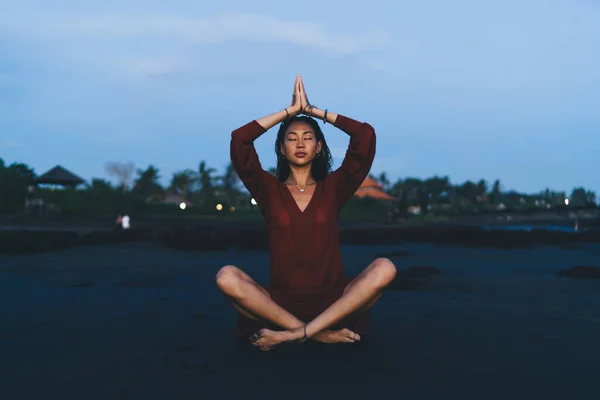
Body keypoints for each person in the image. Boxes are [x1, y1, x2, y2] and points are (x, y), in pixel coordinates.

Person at [217, 76, 397, 351]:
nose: (300, 143)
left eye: (307, 137)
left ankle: (293, 335)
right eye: (291, 138)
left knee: (386, 267)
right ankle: (317, 334)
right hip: (277, 305)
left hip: (336, 302)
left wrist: (313, 111)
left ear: (319, 147)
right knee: (226, 276)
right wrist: (289, 112)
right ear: (282, 149)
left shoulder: (335, 188)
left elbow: (365, 136)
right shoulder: (268, 190)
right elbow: (240, 140)